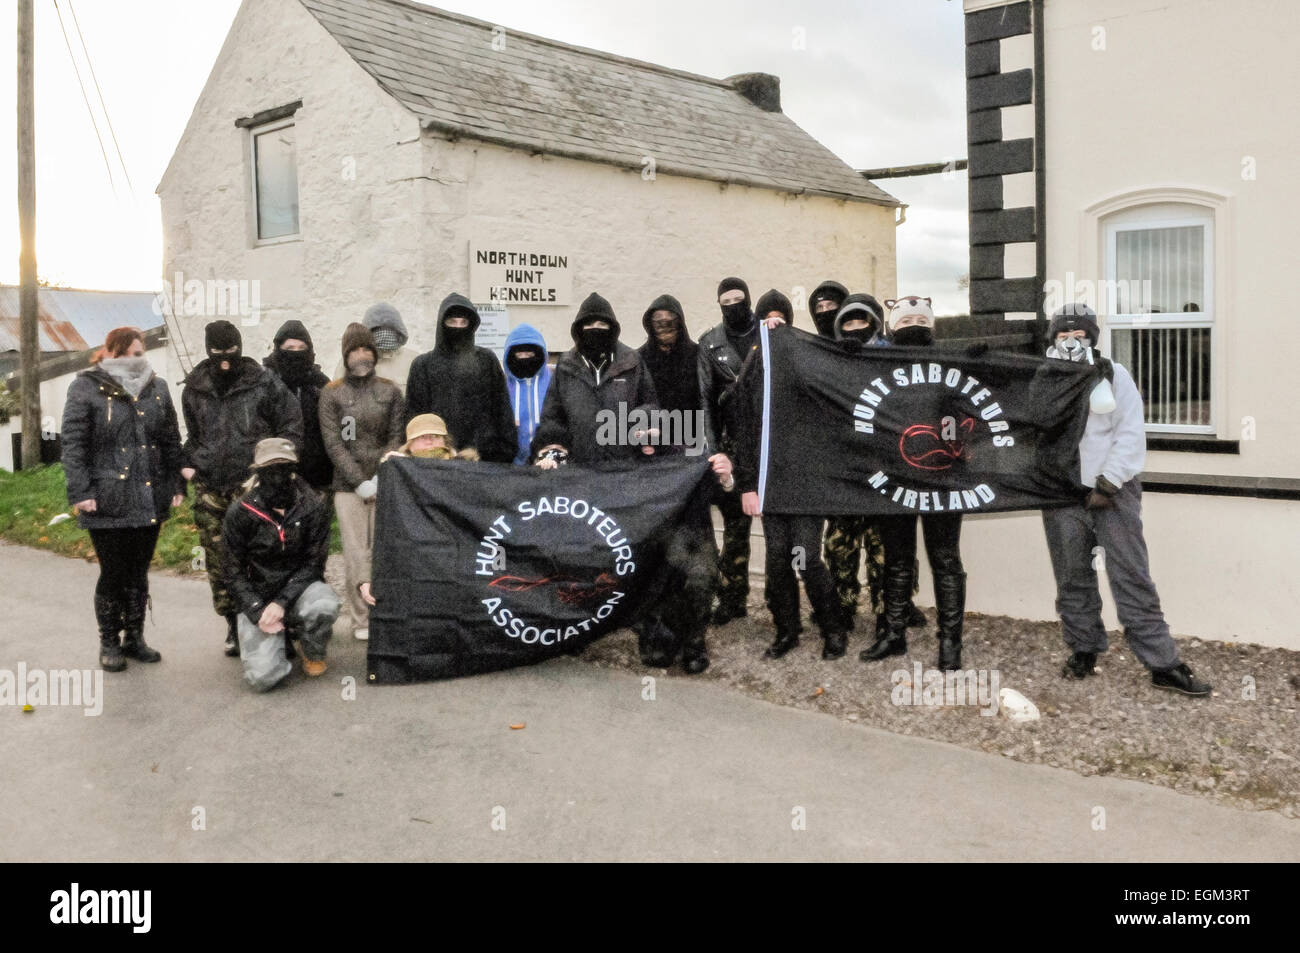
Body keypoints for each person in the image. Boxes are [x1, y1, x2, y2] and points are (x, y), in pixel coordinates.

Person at [1041, 304, 1210, 696]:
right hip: (1063, 493)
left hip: (1112, 493)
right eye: (1063, 336)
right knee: (1071, 576)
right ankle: (1083, 648)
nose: (1070, 343)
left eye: (1078, 336)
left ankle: (1162, 662)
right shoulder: (1044, 379)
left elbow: (1130, 432)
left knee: (1131, 575)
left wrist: (1109, 483)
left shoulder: (1114, 375)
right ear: (1052, 340)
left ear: (1092, 338)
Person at [734, 289, 849, 661]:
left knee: (806, 557)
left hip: (807, 481)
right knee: (778, 558)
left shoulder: (806, 357)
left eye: (779, 316)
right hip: (770, 483)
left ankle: (833, 627)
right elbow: (746, 430)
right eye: (765, 316)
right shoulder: (753, 365)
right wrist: (748, 485)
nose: (772, 321)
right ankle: (787, 631)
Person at [61, 327, 184, 671]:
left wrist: (176, 483)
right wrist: (81, 491)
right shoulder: (85, 386)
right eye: (129, 352)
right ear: (111, 352)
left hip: (149, 493)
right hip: (107, 497)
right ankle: (109, 641)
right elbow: (73, 445)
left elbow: (171, 439)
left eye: (140, 353)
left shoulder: (156, 387)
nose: (136, 359)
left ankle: (135, 637)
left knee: (139, 571)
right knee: (114, 571)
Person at [858, 296, 968, 671]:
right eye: (907, 320)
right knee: (898, 560)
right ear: (893, 327)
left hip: (944, 479)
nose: (915, 324)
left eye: (922, 318)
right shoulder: (877, 365)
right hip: (895, 477)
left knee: (946, 560)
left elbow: (973, 414)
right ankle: (894, 634)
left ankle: (950, 642)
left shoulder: (952, 364)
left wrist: (986, 367)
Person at [181, 320, 303, 658]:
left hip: (254, 488)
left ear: (240, 346)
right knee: (220, 563)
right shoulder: (194, 387)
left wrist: (277, 472)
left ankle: (275, 623)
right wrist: (192, 465)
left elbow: (292, 427)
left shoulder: (264, 383)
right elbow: (193, 434)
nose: (224, 359)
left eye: (230, 351)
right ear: (207, 349)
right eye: (217, 352)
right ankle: (233, 626)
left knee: (263, 558)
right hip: (210, 490)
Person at [820, 294, 928, 639]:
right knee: (840, 547)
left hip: (886, 470)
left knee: (887, 551)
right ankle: (845, 606)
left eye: (861, 322)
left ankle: (890, 611)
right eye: (847, 324)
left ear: (874, 323)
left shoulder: (892, 357)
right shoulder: (831, 361)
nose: (855, 329)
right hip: (846, 471)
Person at [223, 438, 340, 691]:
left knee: (324, 604)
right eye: (270, 469)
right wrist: (257, 610)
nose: (278, 476)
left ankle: (312, 649)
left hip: (299, 588)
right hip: (258, 594)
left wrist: (282, 602)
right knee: (263, 679)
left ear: (294, 469)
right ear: (257, 472)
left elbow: (314, 563)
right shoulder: (240, 512)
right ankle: (278, 637)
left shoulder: (313, 506)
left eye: (284, 467)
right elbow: (231, 571)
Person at [319, 323, 405, 642]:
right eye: (354, 350)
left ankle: (386, 612)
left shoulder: (390, 391)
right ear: (346, 355)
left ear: (374, 353)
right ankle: (360, 618)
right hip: (348, 488)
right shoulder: (332, 394)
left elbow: (396, 435)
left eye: (366, 349)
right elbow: (334, 443)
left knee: (383, 551)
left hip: (386, 482)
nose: (361, 355)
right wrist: (359, 482)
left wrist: (382, 474)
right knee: (356, 554)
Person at [531, 292, 659, 466]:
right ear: (579, 329)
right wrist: (552, 450)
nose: (595, 329)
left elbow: (650, 404)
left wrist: (638, 423)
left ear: (612, 328)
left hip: (625, 466)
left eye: (602, 324)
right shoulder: (567, 366)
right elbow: (552, 416)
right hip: (580, 468)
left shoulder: (631, 361)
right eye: (589, 324)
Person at [697, 277, 761, 625]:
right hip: (732, 444)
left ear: (749, 299)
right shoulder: (710, 344)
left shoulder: (767, 335)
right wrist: (713, 450)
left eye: (739, 298)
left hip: (767, 440)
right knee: (736, 524)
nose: (733, 304)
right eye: (726, 300)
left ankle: (780, 597)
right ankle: (733, 597)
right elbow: (704, 399)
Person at [404, 293, 517, 462]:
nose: (458, 327)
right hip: (436, 460)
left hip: (484, 459)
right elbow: (416, 418)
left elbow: (501, 410)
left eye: (464, 323)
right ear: (442, 324)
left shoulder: (486, 360)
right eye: (452, 322)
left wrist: (499, 451)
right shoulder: (423, 365)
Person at [264, 320, 333, 494]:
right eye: (289, 348)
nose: (295, 353)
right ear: (279, 349)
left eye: (301, 348)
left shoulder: (320, 384)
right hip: (275, 474)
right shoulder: (265, 384)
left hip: (318, 477)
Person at [334, 301, 420, 395]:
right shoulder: (350, 362)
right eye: (376, 330)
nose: (384, 335)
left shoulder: (413, 361)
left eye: (389, 328)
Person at [502, 324, 552, 465]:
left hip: (546, 464)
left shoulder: (554, 383)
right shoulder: (501, 386)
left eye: (530, 354)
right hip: (511, 466)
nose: (524, 358)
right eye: (519, 354)